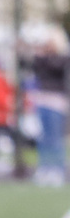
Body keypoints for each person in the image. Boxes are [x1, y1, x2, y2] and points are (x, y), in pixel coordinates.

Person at [28, 37, 69, 187]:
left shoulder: (62, 58)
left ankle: (57, 169)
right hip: (42, 101)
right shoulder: (42, 59)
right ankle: (45, 168)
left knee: (55, 138)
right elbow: (35, 66)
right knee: (44, 138)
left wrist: (43, 56)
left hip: (56, 104)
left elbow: (55, 67)